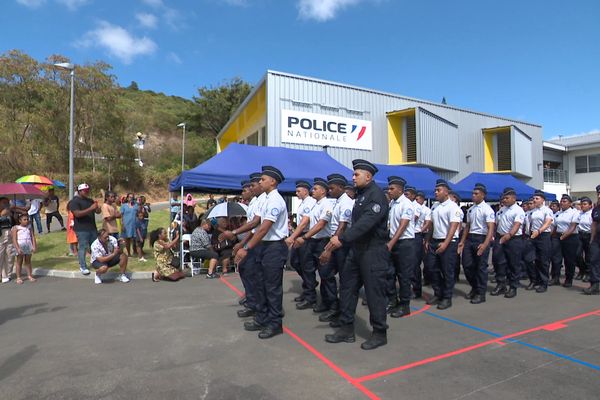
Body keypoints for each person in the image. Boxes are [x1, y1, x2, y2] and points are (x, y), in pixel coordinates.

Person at [324, 159, 390, 350]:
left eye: (356, 174)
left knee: (374, 292)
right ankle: (346, 329)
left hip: (373, 250)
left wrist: (342, 239)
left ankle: (379, 333)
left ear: (368, 176)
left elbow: (366, 223)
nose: (353, 178)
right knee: (347, 287)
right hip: (357, 249)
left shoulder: (376, 196)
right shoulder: (361, 195)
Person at [235, 165, 289, 340]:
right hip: (264, 247)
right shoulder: (265, 199)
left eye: (263, 179)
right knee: (261, 284)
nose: (259, 182)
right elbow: (256, 224)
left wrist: (246, 248)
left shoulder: (275, 200)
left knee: (272, 288)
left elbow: (263, 228)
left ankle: (274, 324)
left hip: (273, 247)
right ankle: (262, 317)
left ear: (272, 182)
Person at [221, 173, 267, 318]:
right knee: (247, 270)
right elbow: (252, 227)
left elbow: (255, 226)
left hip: (260, 243)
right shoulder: (254, 203)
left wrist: (238, 238)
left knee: (253, 273)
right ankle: (253, 301)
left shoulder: (262, 201)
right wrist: (241, 243)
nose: (244, 192)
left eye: (248, 188)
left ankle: (257, 304)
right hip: (254, 241)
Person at [292, 177, 334, 311]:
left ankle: (331, 304)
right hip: (312, 240)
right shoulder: (316, 204)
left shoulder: (326, 204)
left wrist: (303, 237)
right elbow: (307, 219)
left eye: (315, 189)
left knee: (325, 274)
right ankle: (311, 297)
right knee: (307, 268)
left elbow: (321, 224)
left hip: (322, 241)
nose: (312, 191)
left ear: (323, 191)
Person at [317, 173, 354, 322]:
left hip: (342, 243)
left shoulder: (346, 202)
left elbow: (343, 226)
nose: (329, 191)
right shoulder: (338, 201)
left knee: (344, 280)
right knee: (326, 273)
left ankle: (341, 311)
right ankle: (333, 305)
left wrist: (329, 248)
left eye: (332, 188)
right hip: (334, 240)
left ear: (340, 187)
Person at [424, 179, 462, 310]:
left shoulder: (453, 207)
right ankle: (438, 293)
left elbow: (453, 226)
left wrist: (445, 243)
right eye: (435, 190)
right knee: (431, 268)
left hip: (448, 243)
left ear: (446, 192)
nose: (435, 192)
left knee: (447, 271)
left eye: (438, 190)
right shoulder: (435, 206)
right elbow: (432, 225)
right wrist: (428, 240)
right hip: (434, 241)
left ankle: (447, 297)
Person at [458, 183, 495, 305]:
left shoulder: (487, 210)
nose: (473, 196)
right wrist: (462, 242)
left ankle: (481, 293)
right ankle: (474, 287)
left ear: (483, 195)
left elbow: (490, 228)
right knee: (467, 265)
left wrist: (485, 244)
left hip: (481, 238)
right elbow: (467, 227)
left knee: (480, 267)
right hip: (470, 239)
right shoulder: (471, 209)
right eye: (473, 193)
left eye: (476, 194)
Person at [386, 176, 416, 318]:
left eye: (392, 188)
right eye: (389, 188)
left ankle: (405, 305)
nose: (389, 191)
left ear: (400, 190)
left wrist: (392, 243)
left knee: (403, 276)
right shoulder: (392, 204)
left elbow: (403, 225)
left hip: (404, 243)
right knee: (389, 274)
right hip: (392, 242)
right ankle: (392, 301)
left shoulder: (407, 204)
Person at [285, 180, 317, 304]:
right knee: (295, 261)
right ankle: (310, 284)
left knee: (306, 265)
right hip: (300, 234)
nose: (296, 193)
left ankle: (310, 295)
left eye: (298, 191)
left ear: (305, 191)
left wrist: (292, 236)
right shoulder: (303, 203)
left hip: (306, 236)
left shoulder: (310, 202)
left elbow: (304, 223)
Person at [492, 188, 525, 298]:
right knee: (498, 261)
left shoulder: (518, 210)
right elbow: (496, 224)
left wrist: (509, 235)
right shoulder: (501, 210)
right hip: (500, 238)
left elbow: (517, 224)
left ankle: (513, 287)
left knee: (513, 264)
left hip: (513, 239)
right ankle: (501, 284)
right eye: (503, 198)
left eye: (507, 198)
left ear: (514, 198)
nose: (504, 200)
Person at [70, 183, 101, 275]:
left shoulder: (90, 200)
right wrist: (91, 208)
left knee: (95, 246)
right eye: (85, 191)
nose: (87, 192)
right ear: (79, 191)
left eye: (88, 190)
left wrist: (97, 208)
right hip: (81, 228)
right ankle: (83, 266)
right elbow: (77, 214)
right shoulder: (74, 202)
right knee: (83, 247)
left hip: (92, 227)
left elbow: (98, 212)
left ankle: (96, 263)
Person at [528, 190, 554, 293]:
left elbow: (548, 223)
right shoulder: (533, 211)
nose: (534, 200)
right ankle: (536, 280)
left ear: (543, 200)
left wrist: (539, 231)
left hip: (543, 236)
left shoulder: (547, 210)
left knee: (543, 260)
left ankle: (544, 283)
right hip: (534, 235)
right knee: (533, 259)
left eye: (537, 198)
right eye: (534, 198)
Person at [554, 194, 580, 287]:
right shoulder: (558, 213)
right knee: (556, 258)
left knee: (569, 260)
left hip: (570, 237)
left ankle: (568, 279)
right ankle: (555, 278)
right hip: (558, 236)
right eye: (561, 201)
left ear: (570, 203)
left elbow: (572, 227)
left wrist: (563, 237)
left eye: (564, 201)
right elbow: (555, 226)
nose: (562, 203)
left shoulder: (574, 212)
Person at [413, 191, 432, 293]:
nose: (417, 200)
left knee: (421, 261)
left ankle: (422, 282)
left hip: (420, 235)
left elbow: (428, 223)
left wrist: (421, 230)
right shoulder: (411, 206)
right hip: (412, 235)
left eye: (418, 199)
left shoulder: (426, 210)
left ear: (422, 199)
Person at [11, 213, 37, 284]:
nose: (26, 221)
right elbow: (14, 239)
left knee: (28, 261)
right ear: (20, 220)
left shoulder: (29, 227)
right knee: (19, 261)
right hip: (20, 245)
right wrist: (17, 248)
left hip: (28, 245)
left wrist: (34, 246)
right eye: (24, 219)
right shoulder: (16, 228)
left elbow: (32, 237)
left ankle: (29, 275)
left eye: (27, 219)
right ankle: (18, 277)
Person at [585, 185, 600, 295]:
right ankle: (594, 284)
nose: (599, 195)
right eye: (598, 193)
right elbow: (594, 224)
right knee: (593, 261)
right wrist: (592, 239)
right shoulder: (596, 208)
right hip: (597, 239)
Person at [576, 197, 593, 282]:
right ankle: (582, 270)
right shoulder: (579, 214)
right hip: (580, 235)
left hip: (589, 235)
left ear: (590, 205)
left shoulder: (592, 214)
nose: (583, 206)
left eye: (585, 204)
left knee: (588, 256)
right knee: (577, 254)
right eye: (582, 204)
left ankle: (588, 273)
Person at [0, 197, 16, 283]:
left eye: (7, 203)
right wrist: (1, 215)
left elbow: (15, 222)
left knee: (10, 255)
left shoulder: (10, 212)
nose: (6, 204)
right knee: (0, 255)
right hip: (1, 235)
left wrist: (14, 215)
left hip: (9, 234)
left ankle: (7, 274)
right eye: (3, 203)